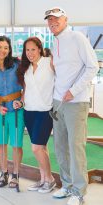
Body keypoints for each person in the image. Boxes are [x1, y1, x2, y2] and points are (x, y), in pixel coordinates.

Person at [44, 7, 99, 205]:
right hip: (58, 102)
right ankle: (66, 185)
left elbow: (93, 66)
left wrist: (73, 91)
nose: (52, 22)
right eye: (49, 20)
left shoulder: (77, 38)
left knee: (75, 148)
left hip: (76, 102)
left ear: (65, 19)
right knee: (60, 147)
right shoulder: (54, 42)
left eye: (56, 19)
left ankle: (79, 192)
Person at [15, 37, 56, 193]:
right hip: (29, 111)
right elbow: (27, 90)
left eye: (33, 49)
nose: (30, 53)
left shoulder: (49, 62)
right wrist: (21, 102)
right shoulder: (25, 67)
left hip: (45, 111)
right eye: (27, 50)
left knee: (36, 148)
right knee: (42, 147)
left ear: (40, 48)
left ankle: (50, 179)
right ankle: (43, 179)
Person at [0, 36, 24, 189]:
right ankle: (4, 173)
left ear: (9, 50)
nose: (3, 50)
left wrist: (20, 101)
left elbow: (25, 85)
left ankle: (16, 174)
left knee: (16, 144)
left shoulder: (17, 64)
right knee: (1, 143)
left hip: (16, 109)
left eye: (6, 47)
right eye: (0, 47)